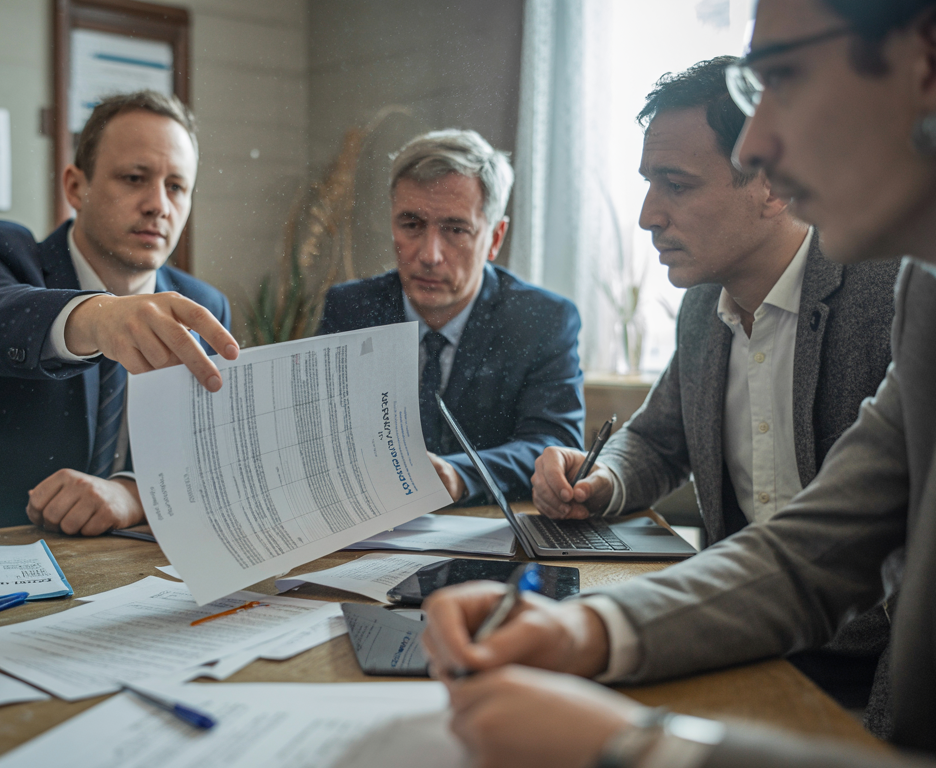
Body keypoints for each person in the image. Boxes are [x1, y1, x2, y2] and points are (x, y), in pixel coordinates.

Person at [421, 0, 936, 765]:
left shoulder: (888, 285)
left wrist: (639, 749)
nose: (760, 143)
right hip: (769, 652)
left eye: (784, 78)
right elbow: (806, 554)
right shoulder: (923, 298)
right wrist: (581, 629)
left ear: (925, 58)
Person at [531, 56, 897, 712]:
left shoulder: (888, 292)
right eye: (648, 184)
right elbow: (655, 438)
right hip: (748, 640)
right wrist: (601, 480)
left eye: (675, 184)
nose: (648, 215)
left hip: (875, 670)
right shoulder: (705, 307)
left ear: (773, 184)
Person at [0, 91, 236, 532]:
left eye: (176, 186)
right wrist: (98, 317)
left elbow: (210, 453)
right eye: (135, 178)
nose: (159, 204)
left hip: (141, 569)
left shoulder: (204, 306)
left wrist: (134, 494)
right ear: (76, 187)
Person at [318, 129, 584, 506]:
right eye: (411, 225)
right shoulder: (350, 310)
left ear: (495, 238)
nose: (430, 254)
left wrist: (460, 475)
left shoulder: (542, 319)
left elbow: (555, 445)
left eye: (456, 230)